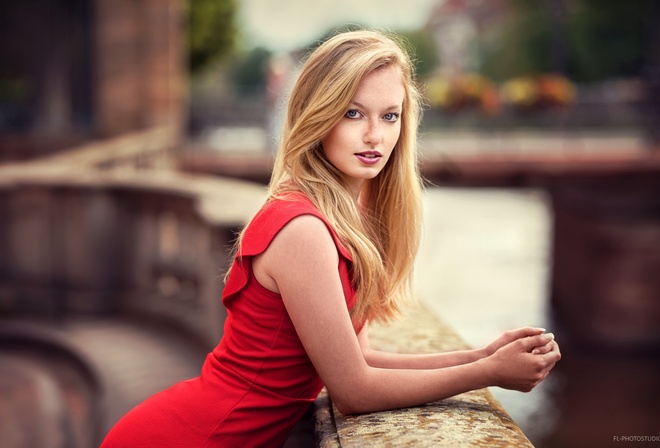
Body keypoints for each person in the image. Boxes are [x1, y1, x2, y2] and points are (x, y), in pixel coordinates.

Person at [101, 29, 560, 447]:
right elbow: (354, 390)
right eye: (353, 112)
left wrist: (479, 353)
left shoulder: (336, 216)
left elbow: (360, 356)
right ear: (317, 116)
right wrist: (487, 373)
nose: (374, 135)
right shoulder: (302, 229)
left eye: (390, 116)